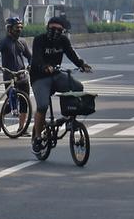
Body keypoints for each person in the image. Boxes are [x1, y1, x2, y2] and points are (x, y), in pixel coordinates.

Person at [30, 16, 93, 151]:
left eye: (59, 29)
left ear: (63, 31)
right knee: (42, 106)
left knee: (77, 87)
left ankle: (69, 119)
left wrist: (82, 64)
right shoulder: (39, 40)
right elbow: (36, 58)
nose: (55, 32)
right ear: (47, 27)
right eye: (52, 28)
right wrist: (44, 66)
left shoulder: (63, 41)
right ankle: (37, 137)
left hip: (56, 75)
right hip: (40, 77)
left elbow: (71, 54)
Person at [0, 17, 32, 131]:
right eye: (16, 28)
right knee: (10, 104)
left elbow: (30, 56)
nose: (19, 30)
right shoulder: (4, 41)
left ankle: (21, 128)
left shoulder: (22, 42)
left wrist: (30, 65)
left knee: (24, 103)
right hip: (10, 77)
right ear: (9, 29)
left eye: (20, 28)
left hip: (22, 76)